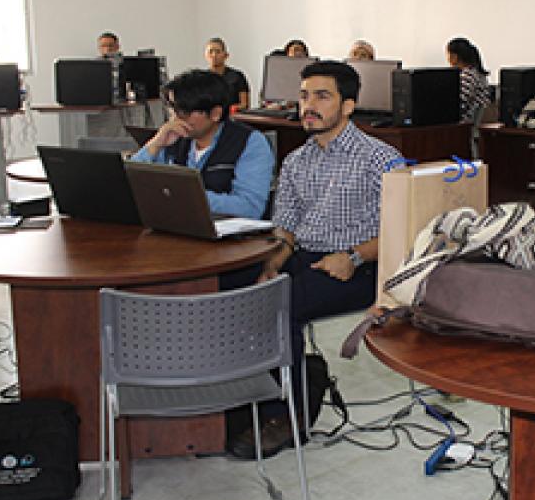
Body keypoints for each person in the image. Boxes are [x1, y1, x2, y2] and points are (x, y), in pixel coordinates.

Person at [226, 60, 401, 459]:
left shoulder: (379, 158)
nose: (309, 105)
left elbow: (401, 230)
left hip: (363, 265)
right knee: (233, 288)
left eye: (322, 96)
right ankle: (261, 394)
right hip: (305, 255)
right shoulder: (296, 160)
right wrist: (272, 263)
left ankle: (289, 415)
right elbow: (286, 228)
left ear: (348, 105)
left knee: (278, 306)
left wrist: (353, 256)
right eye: (304, 96)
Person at [129, 69, 271, 220]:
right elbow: (132, 182)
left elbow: (250, 207)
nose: (175, 118)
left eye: (184, 112)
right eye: (173, 109)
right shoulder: (174, 137)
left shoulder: (250, 142)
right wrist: (155, 144)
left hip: (224, 229)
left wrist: (189, 197)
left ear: (215, 113)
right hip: (176, 223)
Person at [446, 37, 491, 123]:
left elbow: (459, 105)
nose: (447, 59)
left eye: (448, 55)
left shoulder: (468, 75)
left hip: (467, 125)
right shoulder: (476, 72)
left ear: (455, 57)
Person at [204, 37, 251, 112]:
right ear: (206, 55)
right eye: (210, 51)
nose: (214, 55)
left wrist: (231, 109)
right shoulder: (202, 79)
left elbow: (245, 104)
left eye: (218, 52)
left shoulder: (238, 76)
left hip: (232, 116)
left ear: (226, 55)